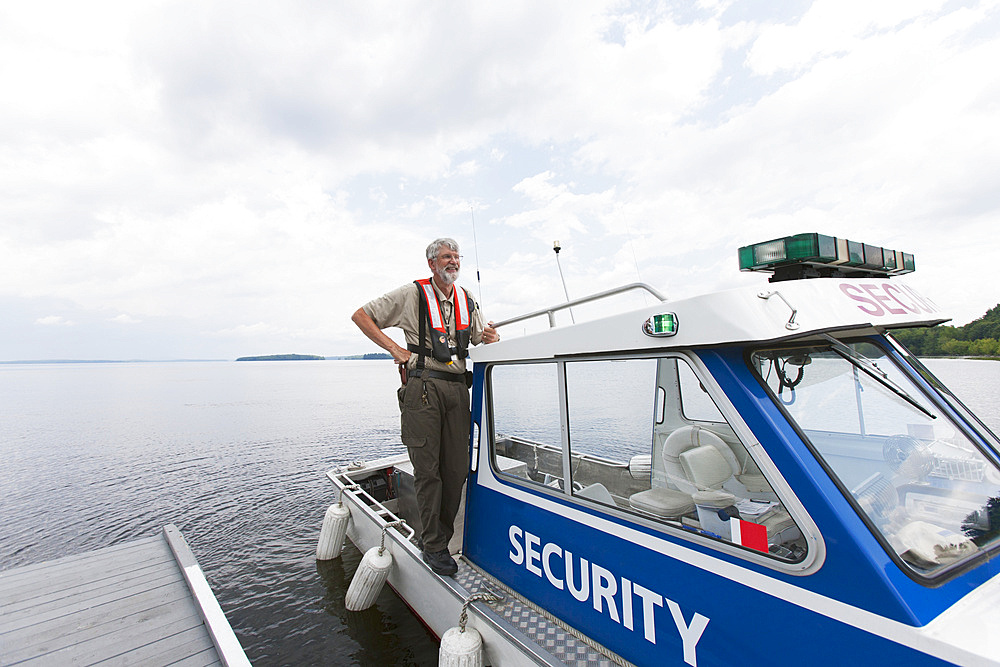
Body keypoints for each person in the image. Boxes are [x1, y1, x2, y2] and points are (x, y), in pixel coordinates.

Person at [351, 238, 499, 576]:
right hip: (423, 389)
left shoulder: (468, 300)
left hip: (459, 390)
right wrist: (395, 350)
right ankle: (433, 545)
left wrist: (489, 338)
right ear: (431, 264)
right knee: (428, 471)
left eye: (456, 257)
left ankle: (439, 538)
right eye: (446, 257)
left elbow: (477, 338)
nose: (453, 262)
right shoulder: (412, 294)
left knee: (457, 469)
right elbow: (362, 316)